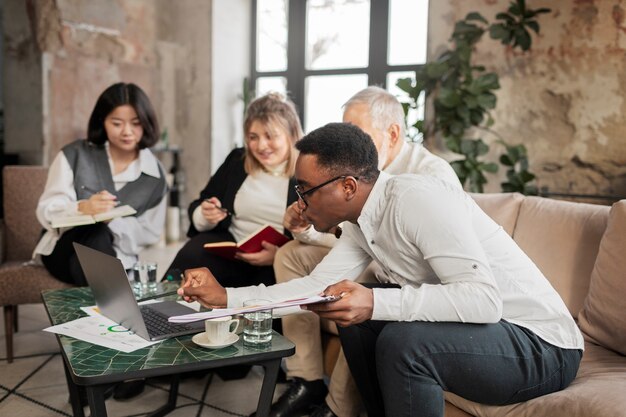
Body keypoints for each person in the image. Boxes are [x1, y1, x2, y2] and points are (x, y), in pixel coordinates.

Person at [178, 122, 583, 417]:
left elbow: (484, 300)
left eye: (305, 189)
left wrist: (374, 300)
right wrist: (227, 298)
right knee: (351, 316)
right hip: (492, 337)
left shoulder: (415, 200)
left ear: (348, 187)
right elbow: (316, 286)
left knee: (404, 341)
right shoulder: (362, 221)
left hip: (542, 345)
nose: (298, 203)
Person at [271, 86, 461, 417]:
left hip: (406, 279)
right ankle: (306, 378)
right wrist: (308, 227)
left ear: (392, 133)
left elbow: (404, 259)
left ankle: (338, 407)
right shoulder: (352, 169)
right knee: (289, 254)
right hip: (365, 258)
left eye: (357, 133)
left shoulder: (432, 176)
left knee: (358, 283)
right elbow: (355, 240)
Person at [34, 82, 168, 287]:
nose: (127, 132)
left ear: (147, 122)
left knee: (98, 238)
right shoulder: (75, 154)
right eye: (116, 123)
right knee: (95, 234)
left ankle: (96, 312)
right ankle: (117, 307)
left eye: (136, 123)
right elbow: (46, 210)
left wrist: (112, 221)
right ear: (102, 121)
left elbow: (149, 233)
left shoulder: (155, 176)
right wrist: (81, 208)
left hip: (118, 255)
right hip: (63, 249)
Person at [165, 92, 302, 288]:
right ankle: (156, 306)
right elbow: (201, 202)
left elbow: (316, 234)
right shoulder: (238, 161)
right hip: (232, 251)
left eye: (270, 136)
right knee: (192, 252)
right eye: (253, 137)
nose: (261, 146)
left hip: (275, 260)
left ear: (291, 135)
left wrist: (280, 254)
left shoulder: (306, 172)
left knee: (265, 290)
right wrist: (205, 214)